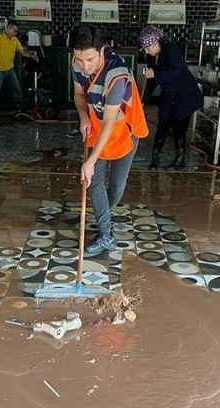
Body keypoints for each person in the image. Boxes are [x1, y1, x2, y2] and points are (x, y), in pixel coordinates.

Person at [70, 25, 148, 255]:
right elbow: (78, 94)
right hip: (97, 125)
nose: (85, 66)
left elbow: (110, 121)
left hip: (124, 130)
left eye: (90, 59)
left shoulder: (117, 74)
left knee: (116, 186)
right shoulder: (77, 63)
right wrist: (83, 115)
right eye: (79, 59)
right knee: (93, 182)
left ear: (103, 50)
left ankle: (102, 215)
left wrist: (91, 160)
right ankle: (106, 233)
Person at [140, 26, 202, 171]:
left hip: (185, 95)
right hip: (168, 93)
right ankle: (155, 159)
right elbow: (151, 81)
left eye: (147, 48)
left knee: (179, 127)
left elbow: (175, 72)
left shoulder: (172, 50)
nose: (146, 51)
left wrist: (155, 74)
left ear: (155, 44)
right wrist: (143, 101)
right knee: (163, 122)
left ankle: (179, 160)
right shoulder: (151, 57)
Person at [0, 20, 39, 115]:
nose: (16, 33)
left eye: (17, 31)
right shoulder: (0, 38)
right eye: (15, 31)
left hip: (10, 69)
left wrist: (31, 55)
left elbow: (22, 51)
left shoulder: (15, 40)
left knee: (17, 89)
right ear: (9, 29)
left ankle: (22, 109)